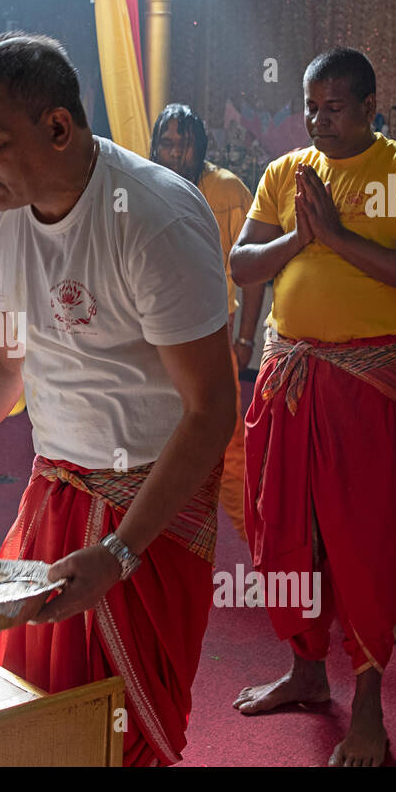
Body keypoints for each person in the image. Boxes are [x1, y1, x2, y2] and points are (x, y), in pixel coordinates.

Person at [0, 33, 238, 766]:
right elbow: (0, 368)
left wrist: (117, 552)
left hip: (149, 506)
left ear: (59, 128)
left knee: (124, 732)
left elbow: (212, 410)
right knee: (37, 713)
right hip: (56, 490)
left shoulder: (154, 218)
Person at [229, 47, 396, 766]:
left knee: (361, 539)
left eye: (333, 107)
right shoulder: (284, 174)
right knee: (286, 531)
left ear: (367, 107)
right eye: (310, 106)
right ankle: (304, 669)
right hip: (288, 376)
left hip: (361, 383)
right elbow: (241, 265)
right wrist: (302, 236)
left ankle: (368, 706)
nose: (317, 120)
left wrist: (340, 240)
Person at [150, 103, 265, 542]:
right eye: (167, 142)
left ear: (201, 146)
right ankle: (159, 547)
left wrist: (246, 340)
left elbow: (250, 274)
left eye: (185, 144)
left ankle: (269, 556)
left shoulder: (228, 190)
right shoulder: (145, 185)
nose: (176, 153)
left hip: (211, 337)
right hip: (154, 338)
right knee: (156, 444)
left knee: (228, 449)